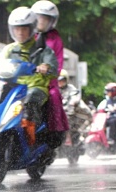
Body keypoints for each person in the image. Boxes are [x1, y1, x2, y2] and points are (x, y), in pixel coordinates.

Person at [0, 6, 58, 145]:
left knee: (30, 103)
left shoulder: (42, 49)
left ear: (32, 28)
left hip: (35, 87)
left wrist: (45, 67)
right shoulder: (9, 49)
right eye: (17, 29)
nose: (20, 32)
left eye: (24, 28)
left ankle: (31, 142)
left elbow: (53, 68)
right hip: (14, 87)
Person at [31, 0, 69, 148]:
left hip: (47, 81)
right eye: (39, 17)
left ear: (51, 21)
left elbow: (57, 62)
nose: (41, 21)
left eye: (45, 18)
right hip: (26, 78)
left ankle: (53, 133)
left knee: (53, 96)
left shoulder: (55, 39)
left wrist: (49, 70)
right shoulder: (27, 34)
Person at [58, 69, 92, 144]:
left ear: (66, 80)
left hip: (72, 113)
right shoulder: (55, 90)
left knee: (68, 123)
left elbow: (75, 97)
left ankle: (69, 139)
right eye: (58, 80)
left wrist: (73, 102)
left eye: (62, 80)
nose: (60, 82)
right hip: (58, 114)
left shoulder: (71, 88)